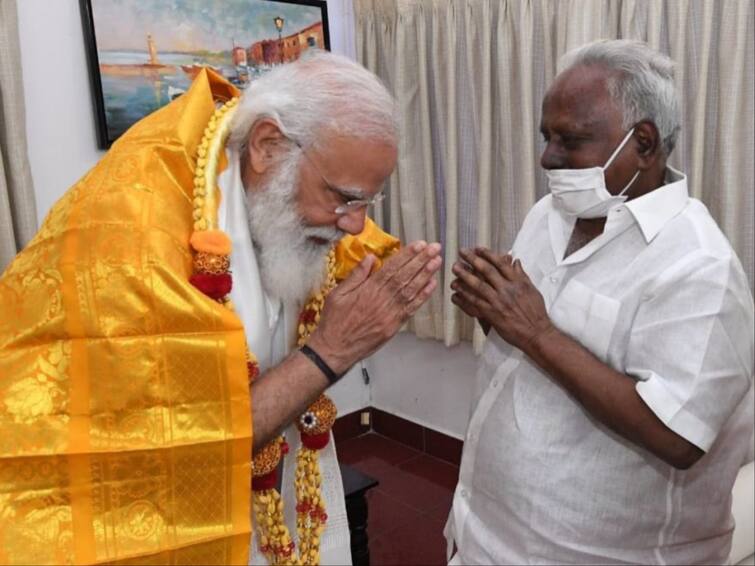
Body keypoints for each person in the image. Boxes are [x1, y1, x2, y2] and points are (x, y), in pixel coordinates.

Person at [0, 51, 441, 565]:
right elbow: (176, 446)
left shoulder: (282, 189)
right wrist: (331, 351)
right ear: (267, 145)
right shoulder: (133, 238)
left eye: (368, 202)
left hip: (276, 482)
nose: (353, 226)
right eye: (344, 198)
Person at [448, 39, 754, 565]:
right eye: (546, 137)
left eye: (571, 140)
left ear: (644, 142)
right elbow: (524, 349)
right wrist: (493, 311)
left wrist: (535, 331)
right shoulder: (549, 214)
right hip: (486, 531)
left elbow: (678, 436)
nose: (548, 157)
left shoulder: (700, 266)